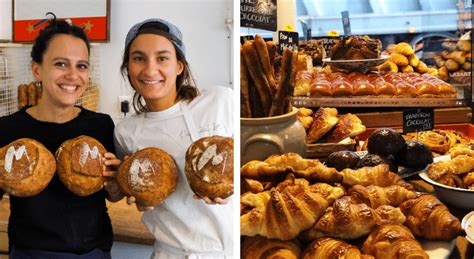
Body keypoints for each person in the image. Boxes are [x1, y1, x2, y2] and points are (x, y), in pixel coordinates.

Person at [0, 20, 122, 258]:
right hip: (31, 252)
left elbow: (111, 194)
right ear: (37, 70)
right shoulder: (8, 129)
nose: (73, 76)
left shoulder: (100, 125)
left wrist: (116, 184)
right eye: (60, 64)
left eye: (82, 66)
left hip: (93, 251)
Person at [113, 18, 233, 258]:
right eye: (138, 58)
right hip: (172, 252)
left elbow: (250, 166)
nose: (149, 69)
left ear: (179, 65)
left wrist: (233, 187)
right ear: (128, 68)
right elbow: (125, 190)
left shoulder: (220, 101)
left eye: (162, 58)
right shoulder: (126, 132)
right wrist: (140, 201)